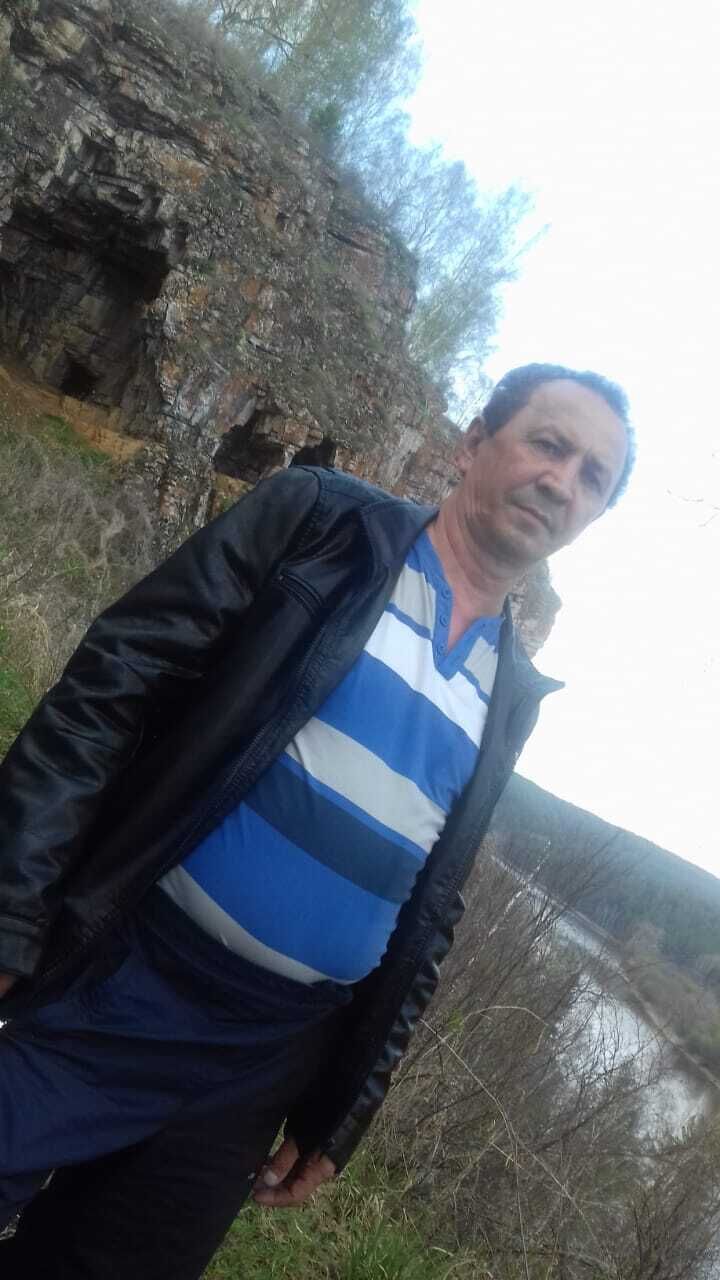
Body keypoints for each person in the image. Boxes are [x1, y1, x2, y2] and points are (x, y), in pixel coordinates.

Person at [0, 363, 633, 1277]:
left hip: (257, 1064)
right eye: (549, 444)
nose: (562, 480)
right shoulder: (323, 525)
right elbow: (113, 684)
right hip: (120, 971)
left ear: (594, 516)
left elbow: (432, 907)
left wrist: (343, 1109)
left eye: (592, 476)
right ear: (473, 444)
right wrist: (12, 904)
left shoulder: (510, 695)